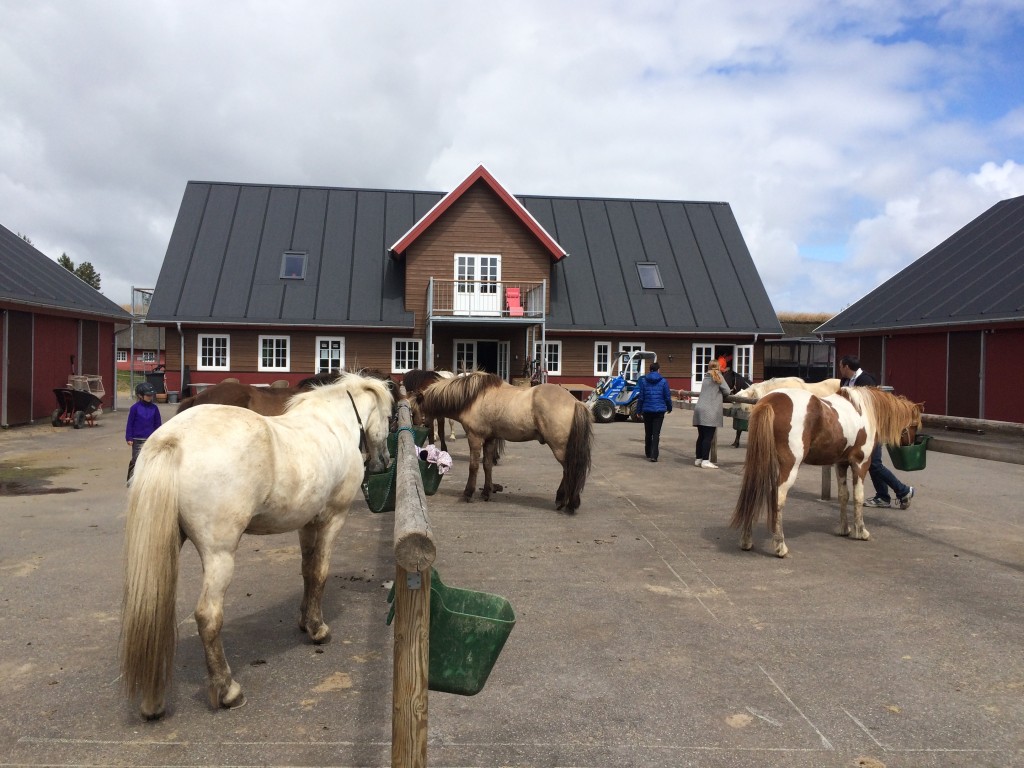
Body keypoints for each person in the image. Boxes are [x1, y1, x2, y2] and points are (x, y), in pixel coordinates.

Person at [838, 355, 914, 509]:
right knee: (873, 463)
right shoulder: (844, 381)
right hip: (857, 428)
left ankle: (903, 490)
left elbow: (871, 406)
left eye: (840, 366)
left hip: (871, 427)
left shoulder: (866, 381)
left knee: (875, 464)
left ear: (846, 367)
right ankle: (883, 496)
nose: (839, 369)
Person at [692, 362, 731, 468]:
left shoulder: (706, 377)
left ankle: (698, 459)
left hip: (700, 408)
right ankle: (705, 460)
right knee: (708, 437)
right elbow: (727, 391)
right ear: (718, 367)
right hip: (710, 410)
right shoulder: (718, 376)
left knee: (701, 436)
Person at [126, 381, 162, 484]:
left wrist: (158, 437)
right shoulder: (134, 408)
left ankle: (148, 479)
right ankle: (131, 479)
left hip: (150, 438)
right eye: (148, 395)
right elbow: (130, 424)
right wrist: (129, 437)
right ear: (140, 395)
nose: (150, 397)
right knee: (136, 460)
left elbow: (158, 424)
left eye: (152, 395)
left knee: (150, 459)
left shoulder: (155, 408)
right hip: (137, 439)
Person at [636, 361, 673, 462]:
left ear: (649, 370)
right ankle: (654, 455)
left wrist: (638, 410)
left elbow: (641, 398)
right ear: (658, 370)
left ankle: (648, 452)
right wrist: (669, 407)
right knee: (656, 433)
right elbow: (667, 397)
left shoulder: (643, 381)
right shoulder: (663, 381)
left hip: (647, 410)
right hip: (659, 410)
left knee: (648, 432)